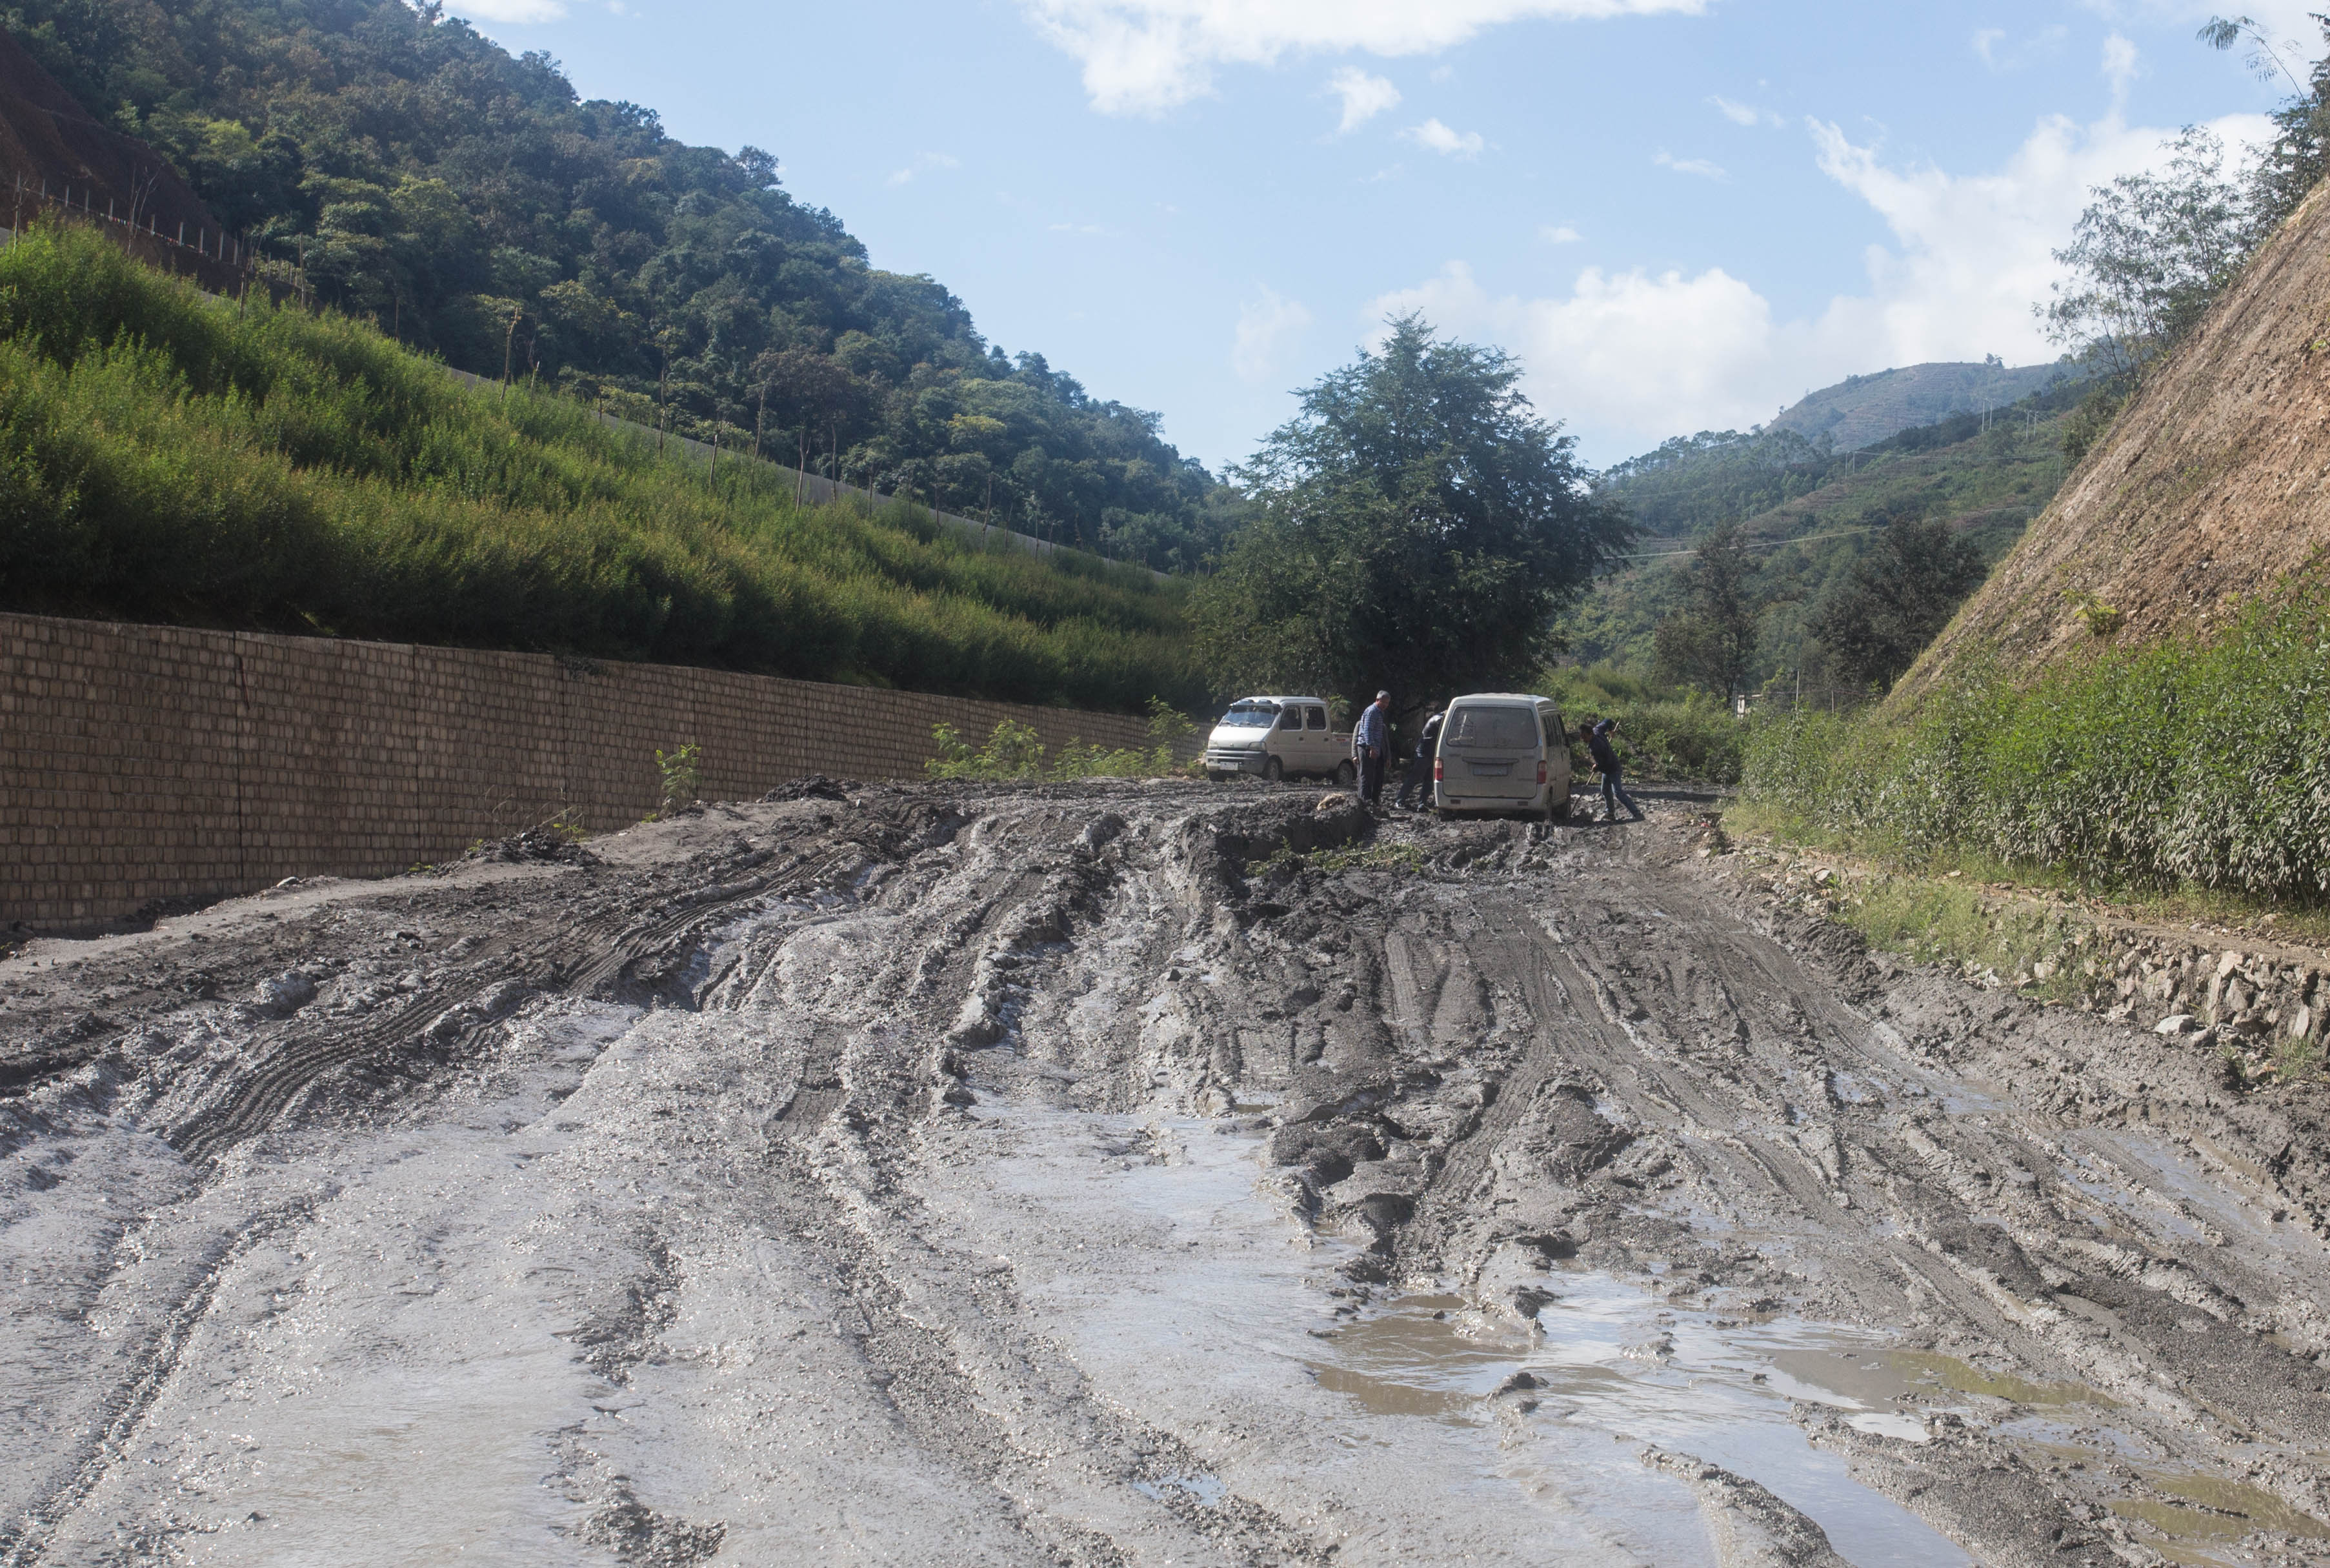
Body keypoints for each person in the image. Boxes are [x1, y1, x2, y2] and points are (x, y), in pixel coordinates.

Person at [1585, 716, 1644, 823]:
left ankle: (1637, 814)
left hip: (1613, 768)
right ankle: (1610, 813)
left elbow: (1605, 762)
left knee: (1618, 793)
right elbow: (1608, 721)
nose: (1583, 739)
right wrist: (1610, 730)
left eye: (1584, 737)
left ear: (1590, 734)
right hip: (1607, 769)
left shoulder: (1595, 747)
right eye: (1581, 737)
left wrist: (1597, 767)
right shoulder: (1597, 730)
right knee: (1605, 790)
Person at [1395, 705, 1443, 809]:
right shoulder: (1439, 720)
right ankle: (1399, 801)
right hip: (1424, 754)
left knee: (1429, 780)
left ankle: (1422, 804)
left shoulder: (1439, 719)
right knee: (1414, 778)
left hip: (1431, 754)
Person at [1352, 690, 1391, 806]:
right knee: (1366, 778)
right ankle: (1364, 804)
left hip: (1375, 749)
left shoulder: (1379, 713)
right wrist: (1372, 748)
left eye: (1387, 703)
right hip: (1367, 749)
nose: (1385, 705)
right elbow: (1368, 731)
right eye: (1383, 702)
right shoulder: (1372, 711)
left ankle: (1373, 803)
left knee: (1376, 778)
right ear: (1377, 700)